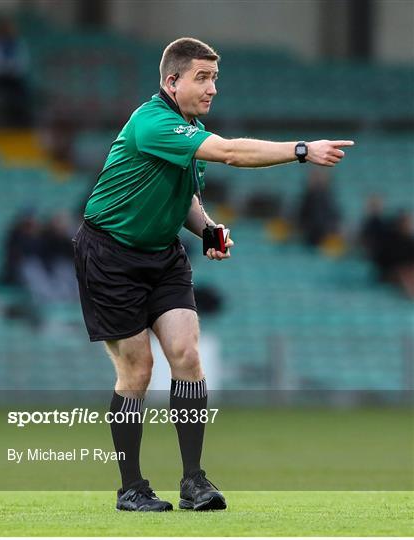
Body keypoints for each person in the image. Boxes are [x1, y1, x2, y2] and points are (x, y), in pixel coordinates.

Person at [72, 37, 354, 512]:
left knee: (186, 354)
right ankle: (131, 488)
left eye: (215, 78)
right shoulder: (153, 122)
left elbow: (184, 198)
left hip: (162, 253)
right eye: (202, 78)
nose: (212, 88)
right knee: (137, 371)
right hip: (110, 255)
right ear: (171, 81)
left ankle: (193, 481)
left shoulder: (187, 127)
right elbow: (230, 154)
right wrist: (301, 150)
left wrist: (207, 229)